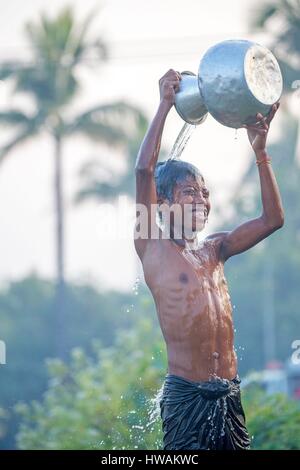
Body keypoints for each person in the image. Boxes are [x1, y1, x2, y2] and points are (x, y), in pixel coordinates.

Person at [134, 69, 284, 450]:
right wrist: (165, 104)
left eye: (204, 192)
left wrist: (261, 152)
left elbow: (273, 220)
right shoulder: (152, 245)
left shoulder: (216, 249)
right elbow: (144, 170)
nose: (201, 199)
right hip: (187, 396)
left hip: (230, 393)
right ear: (163, 203)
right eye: (189, 192)